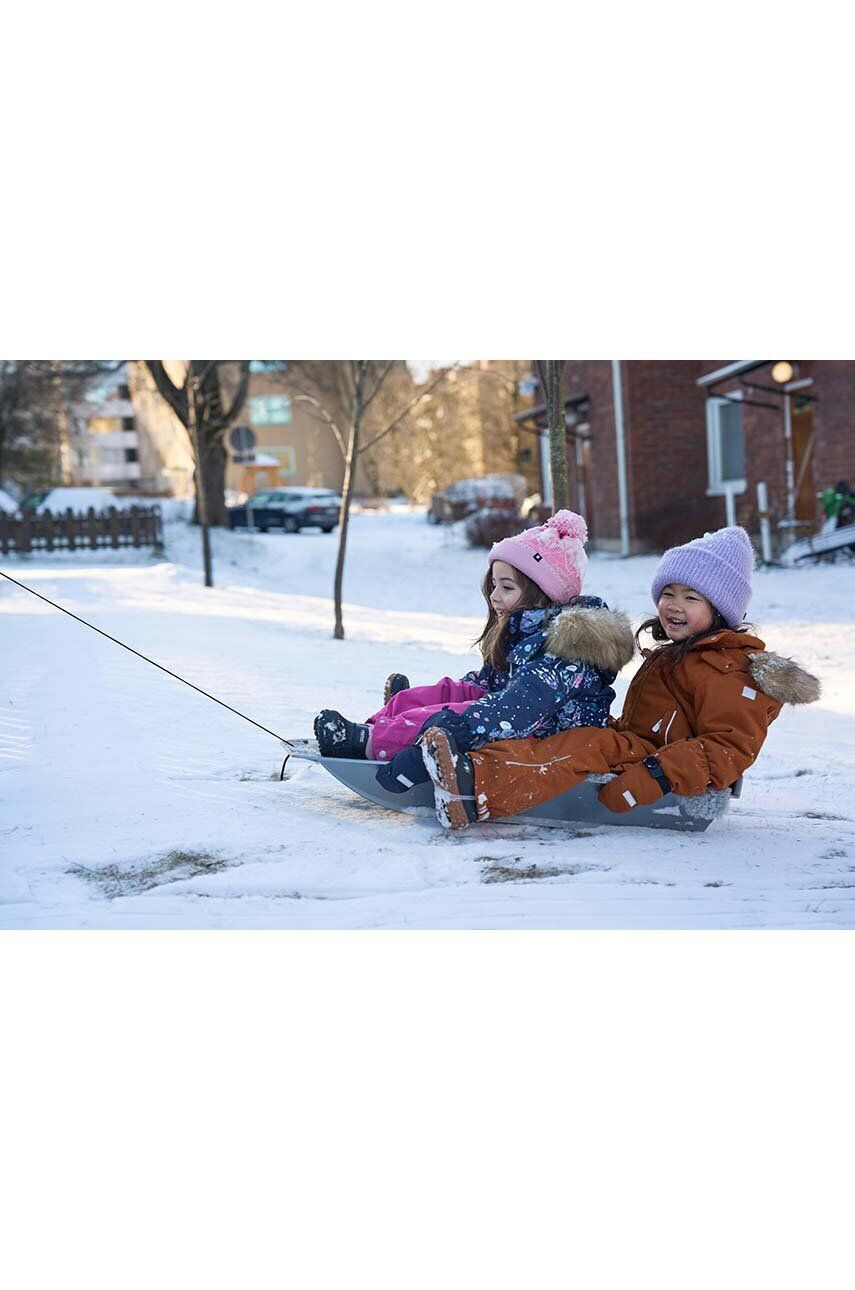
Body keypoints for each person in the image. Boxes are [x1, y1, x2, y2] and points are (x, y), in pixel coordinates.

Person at [417, 526, 821, 829]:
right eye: (668, 593)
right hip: (641, 746)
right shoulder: (678, 655)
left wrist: (654, 776)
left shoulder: (731, 672)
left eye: (691, 597)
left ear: (722, 610)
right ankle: (471, 764)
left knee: (581, 748)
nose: (673, 605)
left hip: (670, 776)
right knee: (570, 737)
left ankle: (474, 788)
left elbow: (728, 748)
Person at [313, 511, 635, 788]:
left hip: (542, 736)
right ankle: (373, 728)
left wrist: (453, 724)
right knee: (444, 694)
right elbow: (491, 683)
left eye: (507, 588)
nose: (494, 596)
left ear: (543, 595)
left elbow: (516, 710)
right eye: (494, 585)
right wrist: (437, 695)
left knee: (448, 717)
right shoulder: (529, 628)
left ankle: (370, 743)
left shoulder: (566, 652)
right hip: (517, 715)